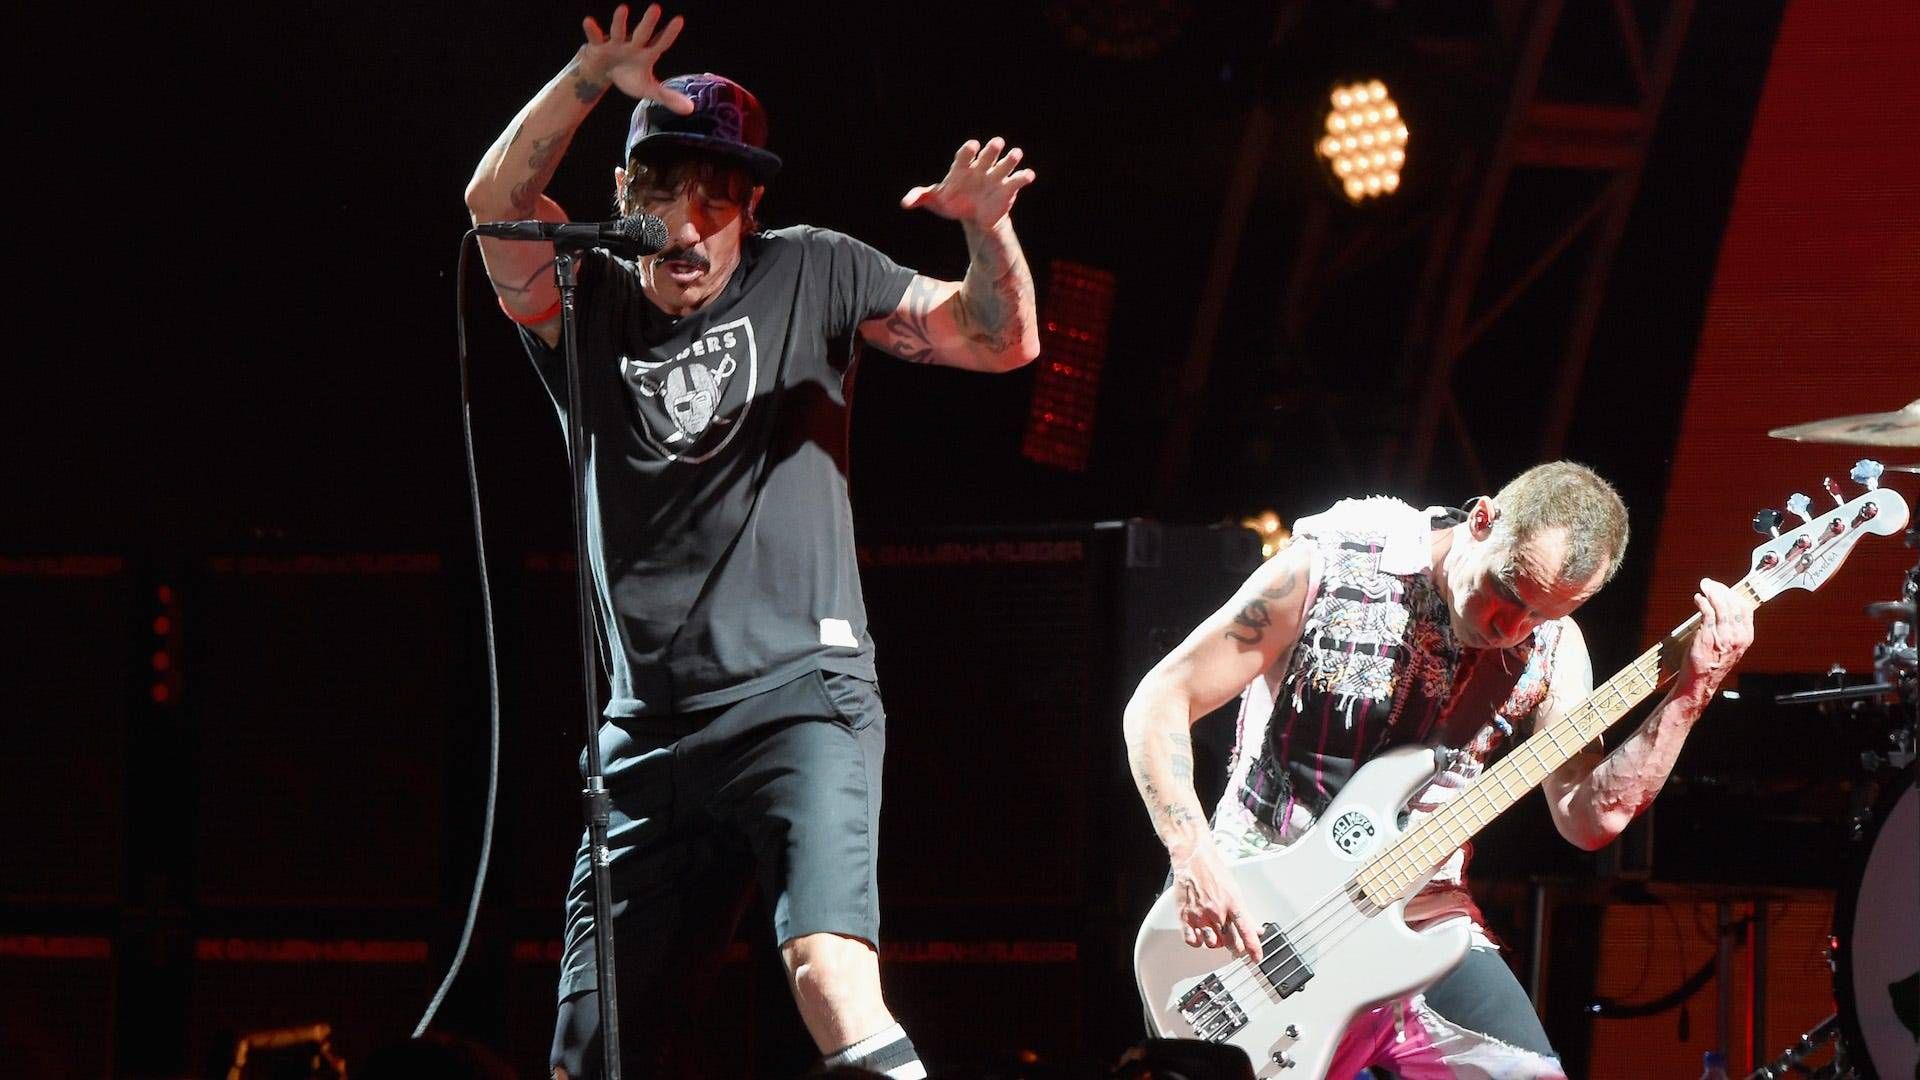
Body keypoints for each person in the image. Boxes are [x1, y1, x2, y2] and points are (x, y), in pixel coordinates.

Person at [463, 6, 1040, 1077]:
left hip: (798, 701)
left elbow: (999, 340)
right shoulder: (583, 301)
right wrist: (589, 74)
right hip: (644, 739)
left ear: (752, 207)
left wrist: (985, 229)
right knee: (591, 1050)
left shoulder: (813, 270)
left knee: (827, 974)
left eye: (719, 199)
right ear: (624, 197)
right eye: (665, 194)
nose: (690, 227)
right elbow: (493, 205)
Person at [1122, 462, 1756, 1078]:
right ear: (1482, 520)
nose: (1512, 628)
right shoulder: (1335, 565)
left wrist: (1691, 693)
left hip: (1418, 925)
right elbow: (1162, 698)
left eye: (1542, 615)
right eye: (1509, 593)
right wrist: (1193, 856)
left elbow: (1590, 818)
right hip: (1260, 922)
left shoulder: (1555, 651)